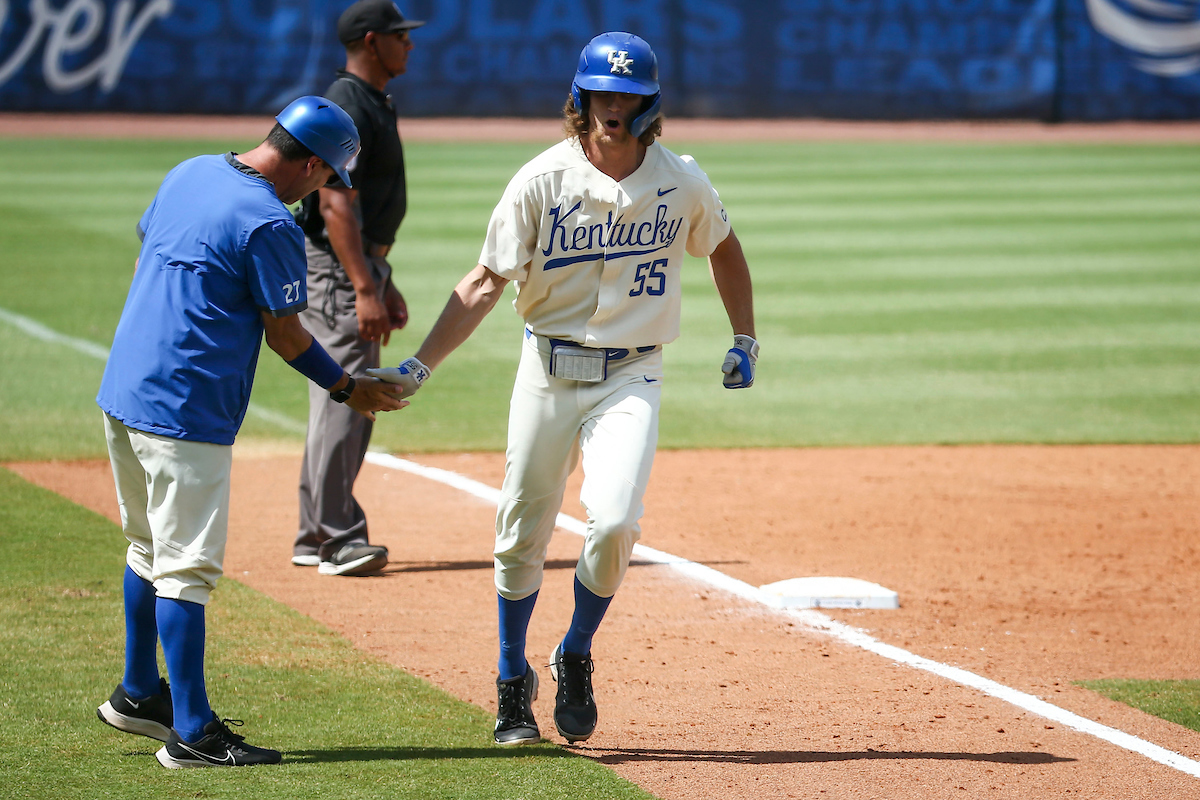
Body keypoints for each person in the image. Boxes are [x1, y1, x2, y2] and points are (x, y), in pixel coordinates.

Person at [370, 32, 758, 746]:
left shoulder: (681, 179)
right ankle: (512, 679)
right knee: (522, 527)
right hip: (547, 371)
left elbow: (724, 246)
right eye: (601, 95)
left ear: (649, 105)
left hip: (633, 372)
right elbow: (485, 280)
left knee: (614, 524)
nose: (613, 108)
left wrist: (745, 337)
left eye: (627, 96)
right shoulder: (540, 181)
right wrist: (419, 368)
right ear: (580, 101)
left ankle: (575, 648)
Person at [94, 96, 407, 768]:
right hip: (185, 408)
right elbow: (287, 333)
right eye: (330, 178)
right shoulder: (270, 223)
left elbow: (156, 245)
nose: (328, 190)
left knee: (147, 547)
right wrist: (350, 387)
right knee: (186, 568)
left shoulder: (190, 170)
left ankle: (137, 692)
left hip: (123, 390)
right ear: (314, 163)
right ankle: (194, 732)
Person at [289, 0, 424, 577]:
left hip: (358, 266)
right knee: (347, 398)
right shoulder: (348, 101)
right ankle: (335, 538)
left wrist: (380, 280)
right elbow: (335, 201)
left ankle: (314, 531)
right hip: (342, 269)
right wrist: (364, 287)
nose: (409, 45)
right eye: (400, 36)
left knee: (338, 399)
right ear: (373, 41)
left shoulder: (368, 100)